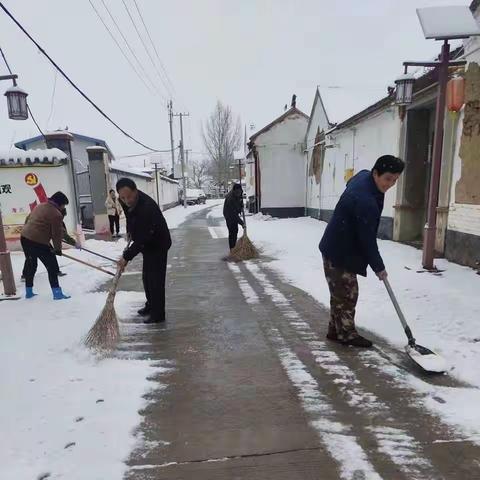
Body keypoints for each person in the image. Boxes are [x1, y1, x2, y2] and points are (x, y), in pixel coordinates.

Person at [319, 155, 405, 348]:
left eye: (395, 180)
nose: (390, 184)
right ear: (376, 173)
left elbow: (352, 181)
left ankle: (336, 330)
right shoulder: (365, 201)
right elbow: (367, 241)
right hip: (340, 250)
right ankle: (347, 333)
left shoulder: (364, 177)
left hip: (337, 243)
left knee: (339, 293)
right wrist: (379, 268)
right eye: (388, 179)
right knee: (348, 293)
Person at [116, 178, 172, 324]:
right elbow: (129, 214)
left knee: (156, 281)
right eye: (123, 197)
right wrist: (129, 230)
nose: (126, 200)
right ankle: (150, 305)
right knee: (147, 278)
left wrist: (126, 257)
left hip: (158, 242)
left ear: (135, 191)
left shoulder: (146, 208)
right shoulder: (124, 200)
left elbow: (142, 239)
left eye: (129, 196)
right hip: (147, 243)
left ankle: (158, 315)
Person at [20, 191, 71, 300]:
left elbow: (28, 219)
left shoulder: (40, 206)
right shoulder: (56, 214)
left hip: (25, 237)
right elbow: (56, 235)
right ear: (59, 203)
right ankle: (57, 293)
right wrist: (57, 250)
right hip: (38, 241)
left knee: (31, 264)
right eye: (63, 205)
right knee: (52, 266)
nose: (63, 207)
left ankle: (29, 292)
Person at [21, 207, 76, 281]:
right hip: (34, 239)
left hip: (32, 237)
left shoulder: (42, 212)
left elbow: (60, 233)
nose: (61, 218)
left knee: (34, 256)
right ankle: (25, 275)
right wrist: (74, 243)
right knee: (32, 258)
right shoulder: (54, 216)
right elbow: (61, 233)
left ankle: (55, 271)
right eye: (62, 216)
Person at [223, 184, 244, 250]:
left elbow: (239, 202)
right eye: (237, 192)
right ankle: (232, 249)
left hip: (234, 214)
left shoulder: (239, 194)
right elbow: (233, 214)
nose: (239, 193)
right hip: (228, 215)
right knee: (232, 232)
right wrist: (242, 223)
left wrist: (241, 206)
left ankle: (233, 248)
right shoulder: (230, 199)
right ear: (234, 191)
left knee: (235, 231)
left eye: (240, 191)